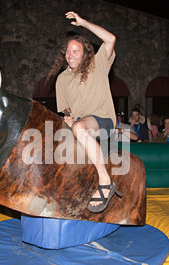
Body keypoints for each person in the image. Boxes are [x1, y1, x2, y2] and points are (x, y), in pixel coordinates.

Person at [47, 12, 121, 213]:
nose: (70, 55)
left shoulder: (98, 64)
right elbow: (68, 111)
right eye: (68, 52)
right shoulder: (61, 80)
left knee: (79, 127)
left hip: (104, 121)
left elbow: (111, 39)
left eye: (75, 51)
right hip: (81, 124)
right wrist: (68, 120)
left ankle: (105, 182)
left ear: (85, 53)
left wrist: (84, 24)